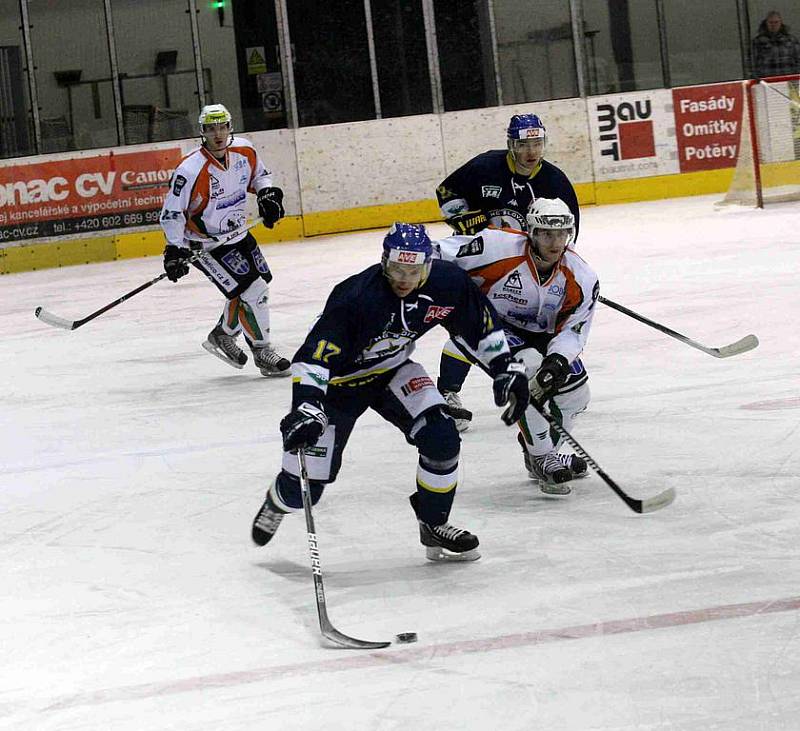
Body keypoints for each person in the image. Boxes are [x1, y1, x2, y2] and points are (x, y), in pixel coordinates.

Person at [250, 223, 530, 562]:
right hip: (337, 388)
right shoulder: (355, 297)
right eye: (397, 268)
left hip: (392, 372)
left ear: (428, 264)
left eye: (413, 270)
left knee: (441, 437)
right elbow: (314, 358)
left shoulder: (449, 283)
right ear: (384, 262)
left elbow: (479, 326)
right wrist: (308, 407)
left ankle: (433, 522)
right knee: (304, 490)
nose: (404, 279)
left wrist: (505, 367)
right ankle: (278, 502)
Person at [436, 198, 599, 496]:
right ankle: (542, 458)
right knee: (529, 369)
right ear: (532, 233)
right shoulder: (494, 246)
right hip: (483, 325)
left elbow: (575, 329)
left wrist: (559, 361)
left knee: (577, 392)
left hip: (536, 334)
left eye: (562, 234)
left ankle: (544, 450)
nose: (555, 242)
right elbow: (436, 253)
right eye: (547, 234)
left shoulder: (582, 277)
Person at [435, 113, 581, 431]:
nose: (531, 151)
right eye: (524, 144)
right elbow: (446, 193)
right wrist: (463, 217)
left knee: (535, 328)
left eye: (537, 143)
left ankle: (552, 384)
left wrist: (556, 267)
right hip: (482, 260)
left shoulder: (554, 181)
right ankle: (446, 394)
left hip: (527, 267)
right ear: (511, 144)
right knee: (475, 325)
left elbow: (569, 232)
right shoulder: (486, 166)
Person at [159, 103, 291, 377]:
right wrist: (174, 249)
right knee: (253, 290)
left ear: (230, 127)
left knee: (256, 285)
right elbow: (172, 212)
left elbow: (261, 177)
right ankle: (263, 351)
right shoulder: (190, 169)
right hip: (205, 244)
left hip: (238, 233)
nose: (217, 134)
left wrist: (268, 196)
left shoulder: (245, 150)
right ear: (202, 132)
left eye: (222, 127)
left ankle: (222, 334)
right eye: (211, 128)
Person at [751, 10, 800, 78]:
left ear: (781, 23)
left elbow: (798, 58)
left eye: (776, 22)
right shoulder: (758, 41)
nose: (773, 25)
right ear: (766, 23)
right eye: (771, 22)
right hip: (767, 80)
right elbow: (752, 62)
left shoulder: (791, 40)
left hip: (788, 79)